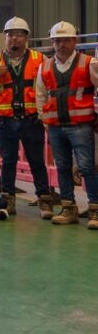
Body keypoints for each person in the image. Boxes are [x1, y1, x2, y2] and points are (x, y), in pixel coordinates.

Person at [0, 16, 54, 218]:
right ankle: (8, 200)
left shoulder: (40, 60)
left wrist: (44, 114)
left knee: (37, 161)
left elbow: (51, 87)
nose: (14, 39)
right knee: (9, 161)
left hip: (32, 120)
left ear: (26, 38)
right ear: (5, 38)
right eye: (11, 35)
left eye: (19, 35)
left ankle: (44, 201)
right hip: (5, 121)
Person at [36, 21, 98, 228]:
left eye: (65, 40)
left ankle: (95, 211)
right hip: (55, 126)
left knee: (87, 167)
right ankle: (68, 208)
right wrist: (44, 119)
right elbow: (40, 95)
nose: (61, 44)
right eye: (57, 40)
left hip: (81, 125)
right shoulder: (44, 67)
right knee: (62, 167)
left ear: (75, 41)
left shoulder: (89, 63)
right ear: (52, 43)